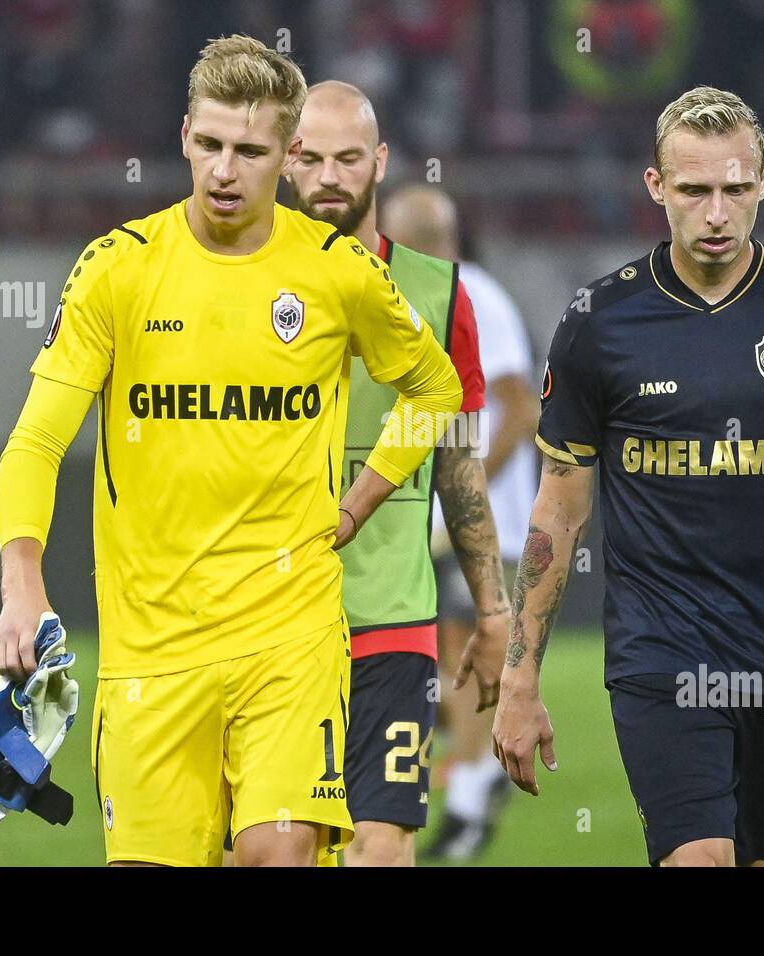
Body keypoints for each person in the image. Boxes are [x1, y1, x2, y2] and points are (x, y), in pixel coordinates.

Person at [0, 36, 462, 868]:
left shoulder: (336, 271)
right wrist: (22, 582)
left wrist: (359, 501)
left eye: (249, 151)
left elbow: (437, 387)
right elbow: (36, 438)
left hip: (289, 635)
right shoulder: (116, 271)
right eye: (209, 144)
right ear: (183, 137)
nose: (223, 170)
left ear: (285, 158)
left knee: (276, 855)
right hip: (149, 653)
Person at [491, 86, 764, 867]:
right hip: (663, 651)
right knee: (700, 860)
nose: (715, 213)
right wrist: (521, 675)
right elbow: (559, 508)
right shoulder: (598, 322)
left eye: (733, 189)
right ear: (656, 188)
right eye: (693, 190)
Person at [286, 82, 508, 867]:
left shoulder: (442, 295)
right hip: (270, 619)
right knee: (282, 845)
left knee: (381, 844)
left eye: (349, 158)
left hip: (394, 614)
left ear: (379, 162)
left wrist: (492, 609)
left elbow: (459, 461)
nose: (329, 178)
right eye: (310, 159)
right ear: (285, 161)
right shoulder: (240, 285)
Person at [379, 186, 540, 862]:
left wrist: (461, 500)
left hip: (483, 524)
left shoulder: (471, 295)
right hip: (440, 519)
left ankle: (471, 800)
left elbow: (521, 410)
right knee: (446, 663)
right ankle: (472, 786)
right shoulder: (427, 296)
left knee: (467, 659)